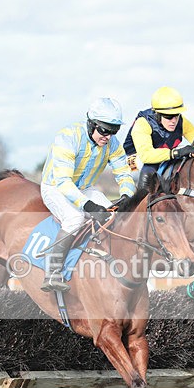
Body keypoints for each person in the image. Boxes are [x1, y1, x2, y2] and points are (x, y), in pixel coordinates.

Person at [39, 97, 136, 292]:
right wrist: (88, 206)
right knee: (74, 218)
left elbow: (124, 173)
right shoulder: (67, 137)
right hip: (55, 187)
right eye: (103, 130)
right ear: (91, 124)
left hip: (85, 188)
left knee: (113, 215)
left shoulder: (113, 144)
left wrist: (126, 195)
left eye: (113, 131)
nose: (108, 136)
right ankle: (52, 272)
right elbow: (64, 183)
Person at [123, 86, 194, 189]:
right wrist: (176, 153)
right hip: (135, 158)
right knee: (148, 169)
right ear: (157, 114)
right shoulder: (142, 123)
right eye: (168, 116)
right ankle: (139, 200)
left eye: (176, 115)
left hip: (163, 153)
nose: (174, 121)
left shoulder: (181, 121)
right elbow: (146, 155)